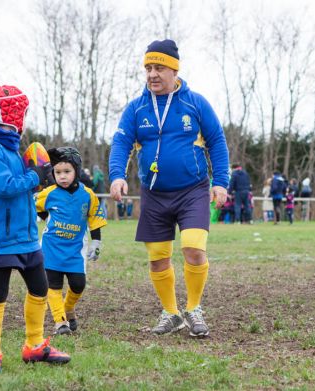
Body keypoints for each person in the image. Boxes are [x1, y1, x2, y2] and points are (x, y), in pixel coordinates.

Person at [109, 39, 229, 338]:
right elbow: (121, 142)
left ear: (174, 70)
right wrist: (117, 175)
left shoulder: (195, 103)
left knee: (193, 248)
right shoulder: (137, 108)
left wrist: (221, 182)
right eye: (148, 68)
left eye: (159, 67)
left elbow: (217, 141)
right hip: (154, 193)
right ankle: (171, 312)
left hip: (193, 191)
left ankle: (194, 308)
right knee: (158, 257)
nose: (152, 74)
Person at [0, 85, 70, 372]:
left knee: (40, 288)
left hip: (26, 236)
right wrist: (34, 176)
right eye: (19, 111)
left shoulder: (10, 147)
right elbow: (4, 186)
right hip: (0, 237)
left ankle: (34, 346)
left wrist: (41, 166)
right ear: (4, 113)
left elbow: (21, 185)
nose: (22, 117)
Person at [35, 147, 107, 335]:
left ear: (76, 171)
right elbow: (38, 209)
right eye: (58, 173)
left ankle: (68, 308)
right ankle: (61, 322)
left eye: (67, 171)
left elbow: (94, 219)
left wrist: (96, 242)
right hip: (51, 248)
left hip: (76, 249)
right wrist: (41, 216)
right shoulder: (48, 193)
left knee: (78, 284)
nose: (62, 176)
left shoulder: (88, 195)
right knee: (53, 286)